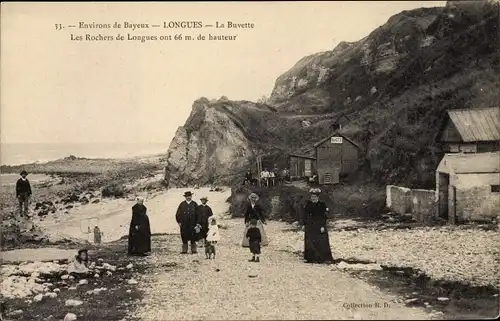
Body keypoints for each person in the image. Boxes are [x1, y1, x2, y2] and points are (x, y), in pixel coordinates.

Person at [301, 188, 334, 264]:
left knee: (321, 241)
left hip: (319, 225)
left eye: (315, 197)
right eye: (312, 197)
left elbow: (324, 216)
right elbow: (305, 215)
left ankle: (322, 258)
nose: (313, 198)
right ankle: (310, 258)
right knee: (309, 241)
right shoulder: (308, 204)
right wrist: (304, 224)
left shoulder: (322, 205)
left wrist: (322, 226)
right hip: (310, 226)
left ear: (318, 197)